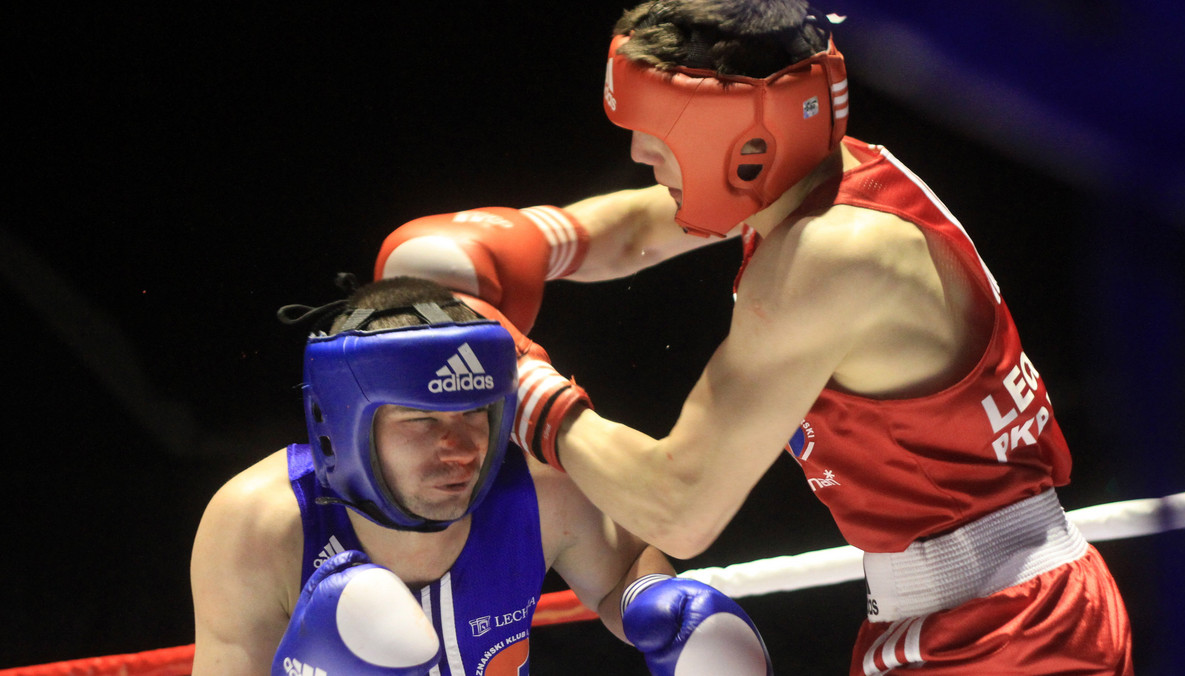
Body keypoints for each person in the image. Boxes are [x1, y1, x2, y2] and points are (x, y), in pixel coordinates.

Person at [371, 2, 1133, 673]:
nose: (640, 153)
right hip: (966, 615)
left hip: (1011, 633)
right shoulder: (826, 180)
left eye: (657, 132)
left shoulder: (832, 258)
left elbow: (677, 509)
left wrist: (511, 370)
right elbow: (639, 228)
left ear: (737, 137)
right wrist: (530, 239)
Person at [189, 275, 773, 676]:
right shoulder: (259, 524)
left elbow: (623, 569)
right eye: (421, 420)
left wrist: (657, 602)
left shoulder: (542, 491)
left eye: (476, 413)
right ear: (346, 424)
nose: (461, 447)